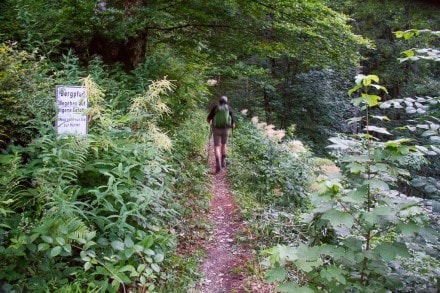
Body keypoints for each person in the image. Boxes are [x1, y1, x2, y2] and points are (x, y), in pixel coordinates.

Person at [207, 95, 235, 173]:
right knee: (224, 144)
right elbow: (233, 121)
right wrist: (232, 125)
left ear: (219, 101)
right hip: (226, 129)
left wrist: (210, 123)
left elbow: (209, 119)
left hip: (216, 129)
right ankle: (223, 161)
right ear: (226, 101)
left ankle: (218, 162)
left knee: (217, 146)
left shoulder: (215, 107)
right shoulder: (228, 108)